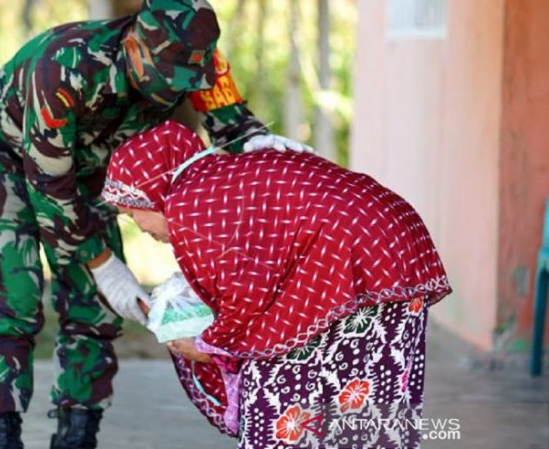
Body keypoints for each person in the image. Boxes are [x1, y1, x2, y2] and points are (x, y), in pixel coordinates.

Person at [0, 0, 308, 449]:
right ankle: (1, 438)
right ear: (136, 49)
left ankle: (77, 436)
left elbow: (227, 116)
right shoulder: (65, 67)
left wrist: (256, 141)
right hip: (3, 153)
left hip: (83, 167)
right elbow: (48, 188)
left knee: (94, 307)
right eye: (172, 81)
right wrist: (102, 263)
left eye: (188, 80)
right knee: (14, 298)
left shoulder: (193, 54)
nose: (177, 94)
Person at [101, 120, 453, 449]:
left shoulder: (190, 203)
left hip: (361, 254)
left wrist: (208, 345)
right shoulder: (217, 183)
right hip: (391, 246)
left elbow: (247, 303)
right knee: (362, 406)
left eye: (132, 213)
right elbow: (263, 275)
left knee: (278, 399)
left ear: (151, 191)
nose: (140, 226)